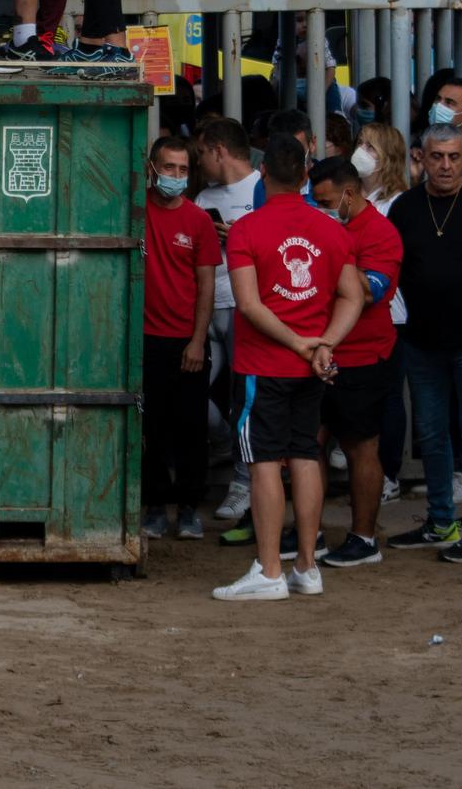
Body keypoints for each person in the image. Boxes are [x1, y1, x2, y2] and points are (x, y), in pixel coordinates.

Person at [211, 136, 364, 601]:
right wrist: (324, 346)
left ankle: (270, 569)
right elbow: (353, 295)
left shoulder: (246, 229)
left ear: (263, 176)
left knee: (262, 463)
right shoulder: (332, 229)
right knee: (304, 457)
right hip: (312, 363)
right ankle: (306, 566)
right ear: (304, 177)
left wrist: (302, 344)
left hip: (266, 363)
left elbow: (249, 305)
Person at [386, 124, 462, 563]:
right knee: (431, 433)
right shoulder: (405, 207)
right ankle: (441, 519)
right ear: (420, 157)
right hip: (422, 339)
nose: (444, 165)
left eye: (453, 157)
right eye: (436, 156)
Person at [306, 155, 404, 568]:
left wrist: (335, 244)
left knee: (362, 446)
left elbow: (368, 294)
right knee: (308, 444)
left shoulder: (381, 233)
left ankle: (364, 538)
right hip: (315, 352)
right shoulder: (324, 226)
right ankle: (309, 532)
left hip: (364, 355)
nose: (320, 208)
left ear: (349, 194)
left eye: (326, 201)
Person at [143, 137, 220, 541]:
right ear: (151, 169)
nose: (174, 176)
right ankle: (155, 507)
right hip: (145, 340)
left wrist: (196, 340)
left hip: (186, 342)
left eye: (182, 170)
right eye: (168, 168)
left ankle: (188, 508)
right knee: (151, 428)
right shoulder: (134, 215)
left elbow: (205, 286)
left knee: (191, 429)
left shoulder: (199, 220)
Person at [193, 119, 263, 524]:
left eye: (201, 154)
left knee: (245, 399)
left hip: (245, 307)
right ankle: (222, 443)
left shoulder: (261, 188)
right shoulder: (203, 197)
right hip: (208, 306)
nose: (198, 162)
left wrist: (241, 235)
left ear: (219, 150)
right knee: (191, 387)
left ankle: (242, 483)